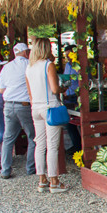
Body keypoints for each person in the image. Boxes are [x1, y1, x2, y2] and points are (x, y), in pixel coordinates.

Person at [25, 37, 68, 193]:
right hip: (50, 107)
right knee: (52, 146)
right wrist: (63, 89)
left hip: (35, 108)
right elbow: (55, 89)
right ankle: (54, 181)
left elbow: (29, 93)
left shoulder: (29, 67)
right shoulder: (48, 65)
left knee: (40, 144)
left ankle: (42, 180)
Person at [0, 42, 36, 179]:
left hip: (8, 104)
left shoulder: (6, 67)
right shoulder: (29, 65)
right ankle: (30, 168)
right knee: (32, 136)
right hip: (24, 105)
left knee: (8, 139)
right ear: (26, 52)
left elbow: (1, 89)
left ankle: (5, 170)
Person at [62, 45, 81, 155]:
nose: (68, 58)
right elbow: (66, 79)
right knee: (69, 122)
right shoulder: (68, 66)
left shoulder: (79, 65)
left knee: (80, 123)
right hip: (68, 97)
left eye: (70, 55)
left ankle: (81, 147)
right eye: (66, 56)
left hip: (77, 96)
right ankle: (77, 146)